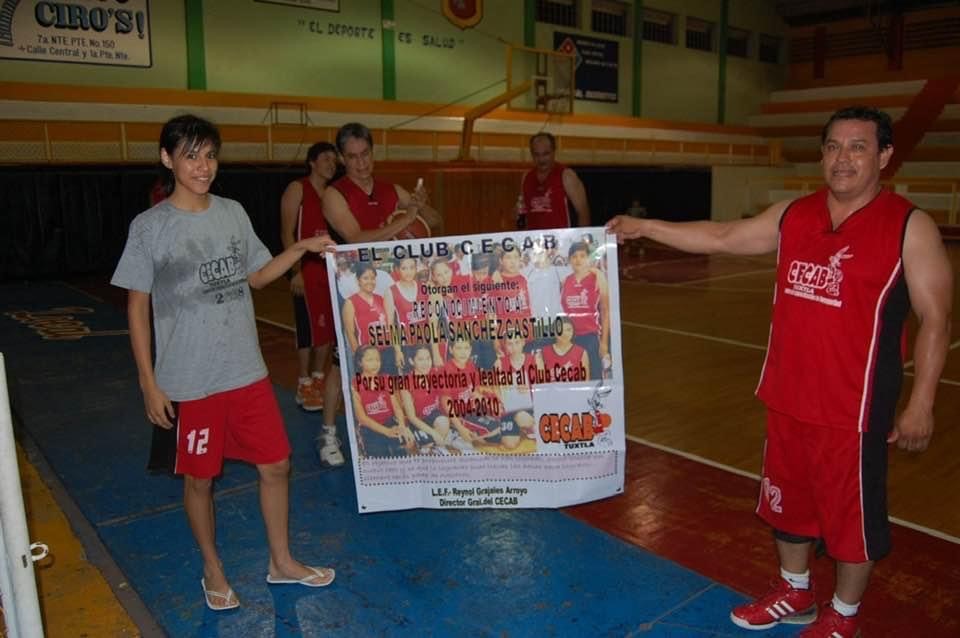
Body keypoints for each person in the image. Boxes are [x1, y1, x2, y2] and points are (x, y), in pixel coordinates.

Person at [607, 106, 953, 637]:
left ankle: (845, 616)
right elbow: (723, 236)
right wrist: (644, 226)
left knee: (850, 527)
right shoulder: (795, 214)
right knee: (786, 508)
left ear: (884, 156)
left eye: (858, 147)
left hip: (852, 411)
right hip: (786, 397)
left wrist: (922, 402)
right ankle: (796, 592)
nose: (843, 158)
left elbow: (935, 317)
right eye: (833, 147)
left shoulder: (911, 226)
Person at [112, 115, 337, 612]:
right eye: (191, 155)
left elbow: (256, 276)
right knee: (199, 479)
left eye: (210, 155)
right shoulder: (150, 227)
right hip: (189, 382)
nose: (203, 166)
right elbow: (136, 308)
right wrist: (149, 383)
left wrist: (298, 248)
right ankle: (212, 569)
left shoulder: (233, 212)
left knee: (277, 463)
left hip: (245, 371)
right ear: (167, 159)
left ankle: (281, 562)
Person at [279, 141, 345, 465]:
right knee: (306, 326)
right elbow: (286, 231)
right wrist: (295, 270)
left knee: (329, 329)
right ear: (311, 162)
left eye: (335, 159)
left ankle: (319, 379)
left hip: (329, 269)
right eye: (326, 159)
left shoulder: (334, 194)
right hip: (306, 268)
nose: (332, 163)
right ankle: (303, 382)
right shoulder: (297, 189)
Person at [350, 345, 415, 457]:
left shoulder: (385, 379)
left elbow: (397, 408)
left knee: (406, 447)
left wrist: (401, 426)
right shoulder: (355, 385)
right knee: (380, 456)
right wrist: (386, 432)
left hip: (390, 423)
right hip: (370, 429)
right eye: (370, 360)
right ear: (360, 362)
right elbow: (362, 418)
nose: (375, 363)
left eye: (377, 359)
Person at [518, 132, 590, 230]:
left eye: (545, 154)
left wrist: (583, 240)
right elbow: (521, 209)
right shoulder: (526, 177)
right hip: (533, 242)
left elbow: (583, 212)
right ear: (531, 154)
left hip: (560, 241)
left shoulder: (566, 175)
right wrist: (516, 211)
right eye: (536, 154)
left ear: (554, 152)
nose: (541, 159)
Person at [560, 240, 611, 379]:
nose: (578, 259)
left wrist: (604, 342)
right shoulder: (565, 281)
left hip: (591, 338)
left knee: (594, 378)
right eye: (574, 256)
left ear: (588, 258)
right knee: (575, 379)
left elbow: (606, 312)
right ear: (570, 259)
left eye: (582, 256)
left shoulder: (597, 277)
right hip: (569, 339)